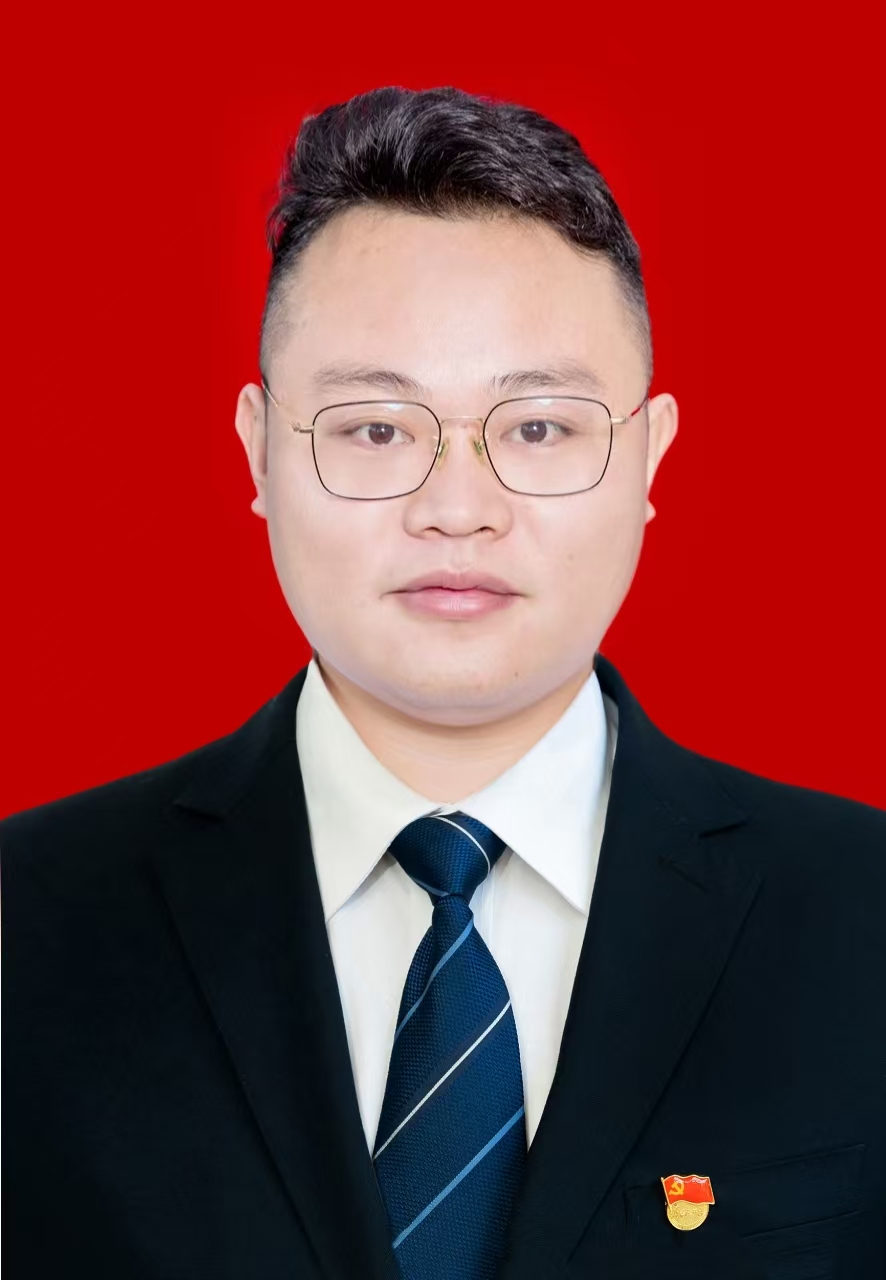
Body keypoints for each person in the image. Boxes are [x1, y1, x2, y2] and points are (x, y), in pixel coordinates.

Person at [2, 84, 884, 1280]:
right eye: (375, 428)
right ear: (259, 451)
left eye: (538, 428)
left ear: (647, 457)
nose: (457, 508)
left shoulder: (862, 916)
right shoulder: (29, 924)